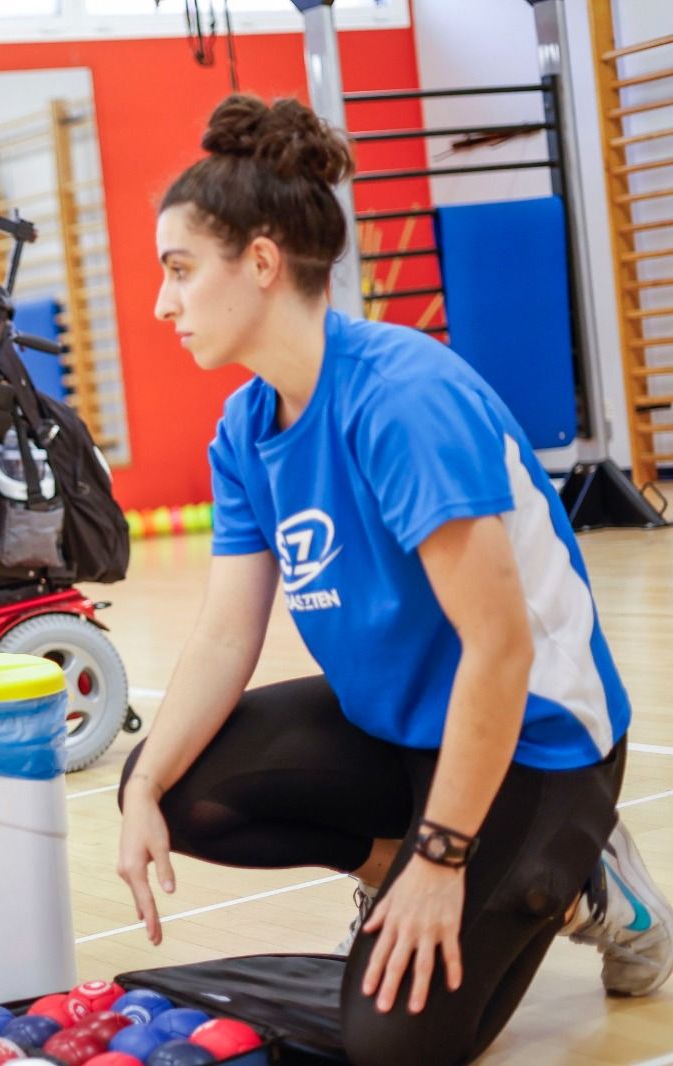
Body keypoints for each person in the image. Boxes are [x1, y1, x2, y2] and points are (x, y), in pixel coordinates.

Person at [116, 94, 671, 1066]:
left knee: (388, 1049)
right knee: (172, 783)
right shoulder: (245, 430)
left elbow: (501, 646)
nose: (161, 304)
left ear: (258, 261)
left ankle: (584, 873)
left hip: (538, 745)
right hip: (401, 736)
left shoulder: (401, 399)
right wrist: (140, 790)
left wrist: (442, 855)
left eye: (177, 271)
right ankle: (415, 867)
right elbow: (221, 637)